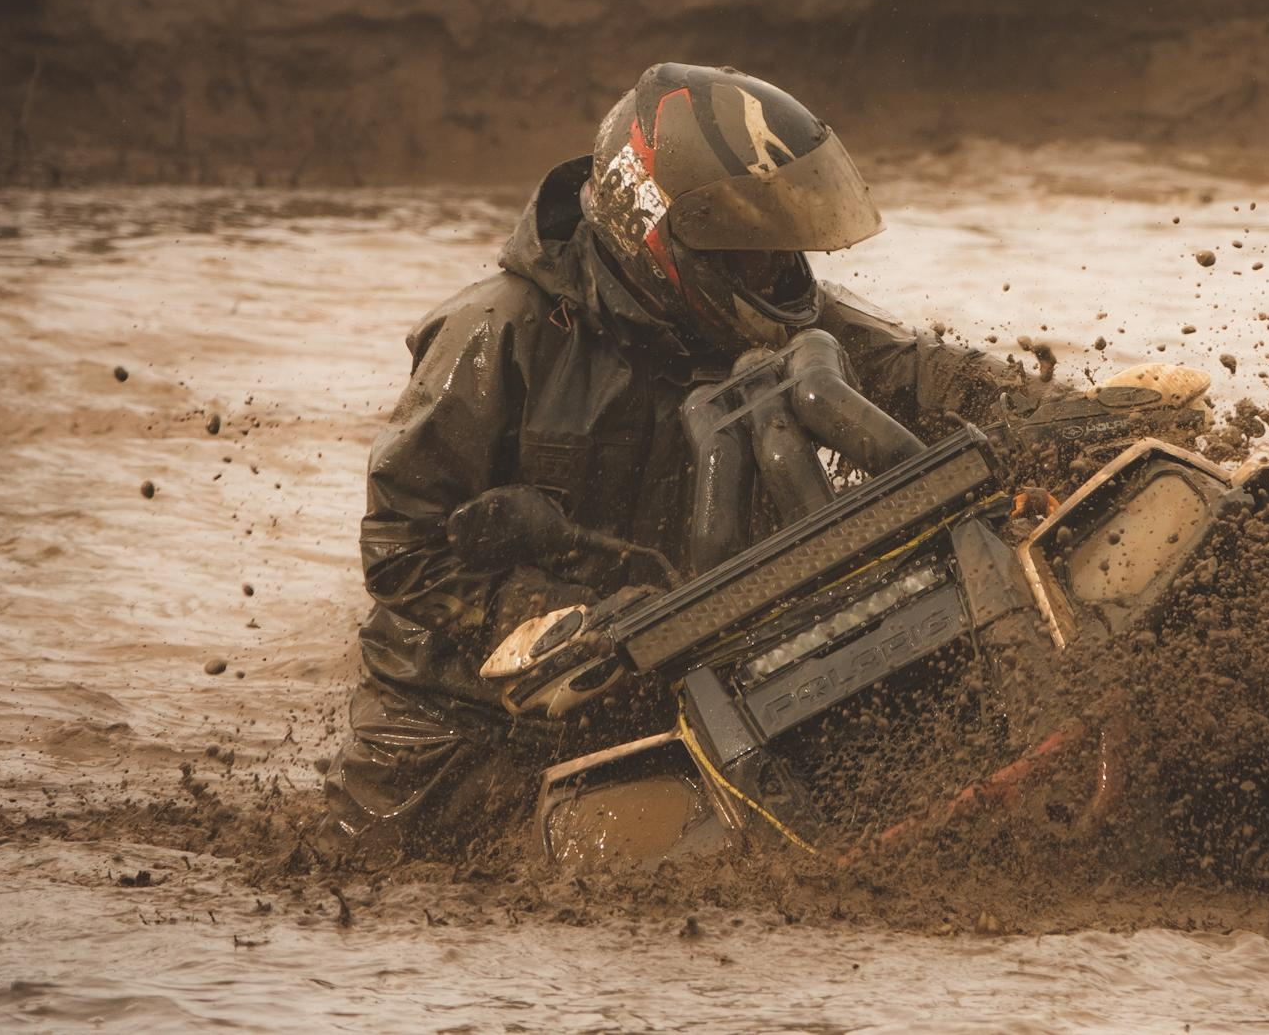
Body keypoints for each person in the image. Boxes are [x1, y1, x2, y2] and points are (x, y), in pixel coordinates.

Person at [319, 63, 1031, 856]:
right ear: (660, 230)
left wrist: (1037, 411)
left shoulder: (782, 321)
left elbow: (920, 372)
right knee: (380, 866)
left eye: (780, 245)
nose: (775, 265)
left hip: (690, 653)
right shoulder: (498, 333)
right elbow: (403, 548)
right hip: (465, 708)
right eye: (750, 246)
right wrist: (545, 613)